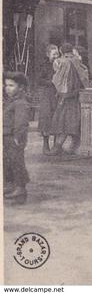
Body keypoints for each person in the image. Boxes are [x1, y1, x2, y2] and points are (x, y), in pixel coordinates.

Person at [48, 43, 86, 156]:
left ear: (61, 51)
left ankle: (58, 147)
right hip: (76, 95)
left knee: (63, 122)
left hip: (66, 96)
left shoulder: (62, 62)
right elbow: (85, 76)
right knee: (74, 122)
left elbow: (57, 80)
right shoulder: (78, 61)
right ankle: (73, 146)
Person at [3, 72, 31, 204]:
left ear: (21, 88)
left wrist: (18, 137)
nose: (7, 88)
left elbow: (21, 122)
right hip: (6, 137)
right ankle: (13, 186)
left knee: (17, 162)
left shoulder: (20, 103)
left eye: (11, 85)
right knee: (8, 162)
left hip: (14, 138)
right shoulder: (11, 101)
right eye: (6, 85)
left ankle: (20, 188)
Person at [37, 44, 59, 154]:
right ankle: (45, 146)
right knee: (46, 118)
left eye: (57, 54)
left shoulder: (60, 65)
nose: (56, 56)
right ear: (48, 54)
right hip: (46, 94)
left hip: (56, 95)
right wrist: (51, 82)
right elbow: (39, 80)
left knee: (56, 118)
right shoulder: (43, 66)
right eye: (53, 54)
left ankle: (56, 146)